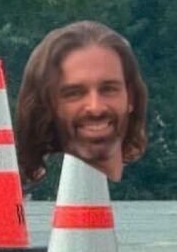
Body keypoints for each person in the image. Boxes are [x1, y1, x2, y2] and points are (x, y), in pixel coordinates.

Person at [16, 21, 148, 183]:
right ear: (46, 104)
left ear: (131, 97)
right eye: (74, 93)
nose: (95, 108)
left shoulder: (155, 188)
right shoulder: (23, 194)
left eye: (108, 89)